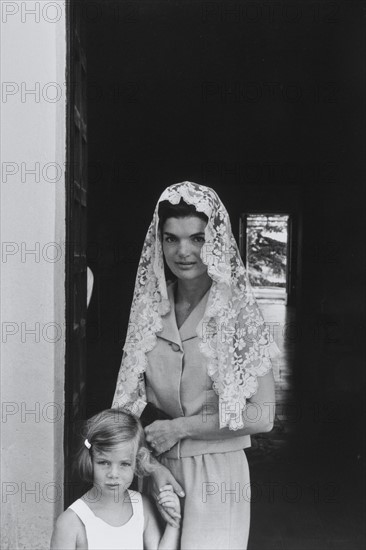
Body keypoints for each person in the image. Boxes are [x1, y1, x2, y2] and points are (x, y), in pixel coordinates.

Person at [112, 182, 276, 550]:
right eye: (171, 239)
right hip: (158, 476)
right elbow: (123, 411)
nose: (183, 251)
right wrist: (148, 468)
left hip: (218, 476)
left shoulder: (239, 314)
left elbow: (262, 415)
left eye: (197, 239)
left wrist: (179, 428)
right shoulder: (148, 312)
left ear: (216, 241)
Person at [50, 409, 181, 550]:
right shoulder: (70, 521)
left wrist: (173, 523)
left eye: (124, 464)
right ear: (90, 460)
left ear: (137, 461)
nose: (113, 474)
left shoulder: (142, 506)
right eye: (104, 462)